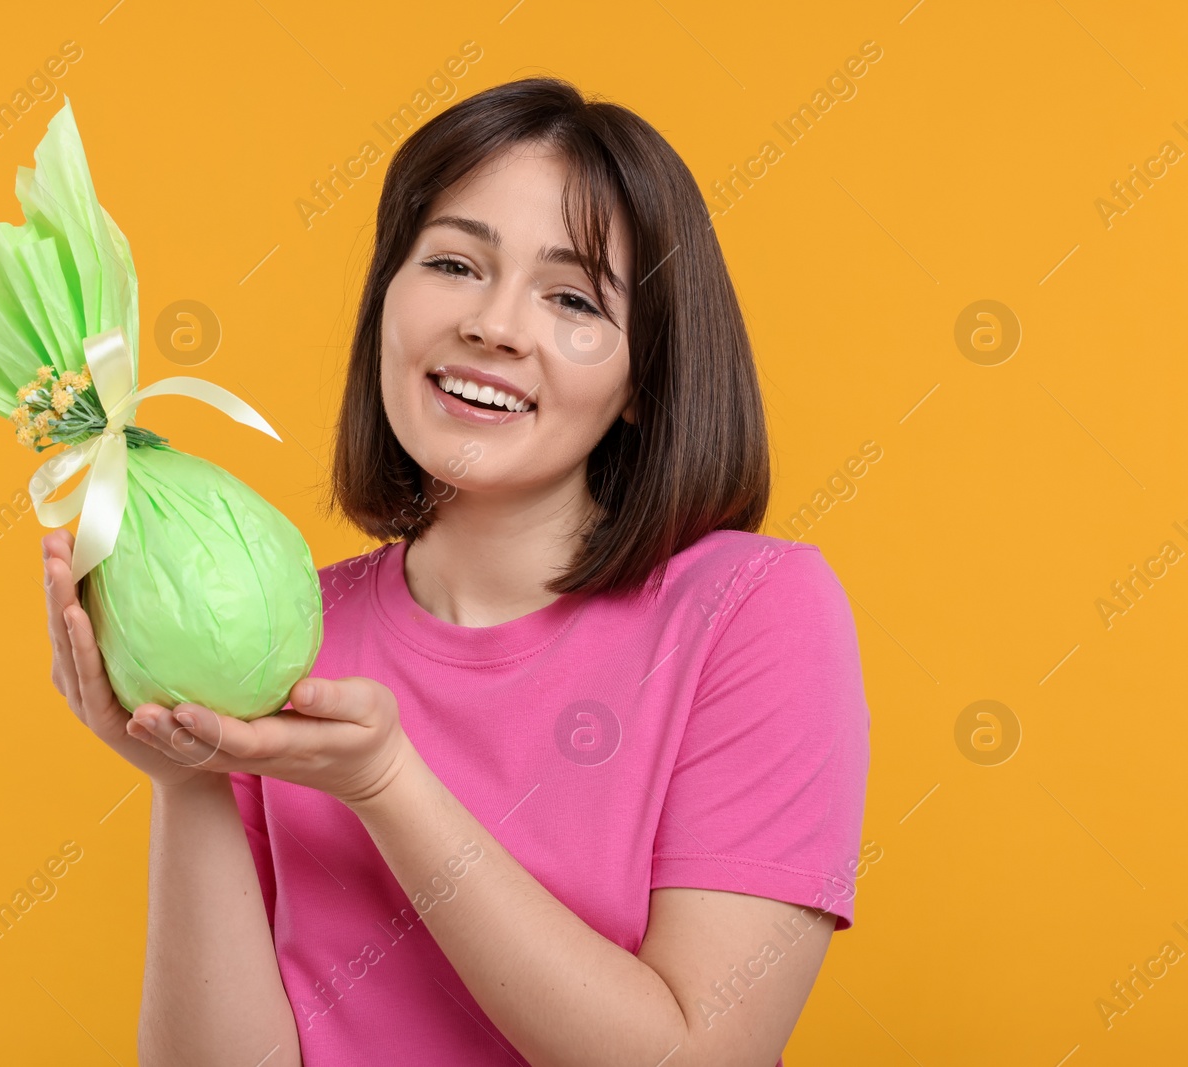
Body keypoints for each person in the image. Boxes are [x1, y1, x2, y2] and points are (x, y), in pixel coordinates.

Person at [42, 75, 871, 1067]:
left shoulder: (749, 609)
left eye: (571, 297)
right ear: (386, 304)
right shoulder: (292, 628)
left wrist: (386, 783)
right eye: (453, 263)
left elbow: (699, 1054)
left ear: (641, 380)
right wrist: (187, 785)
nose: (494, 324)